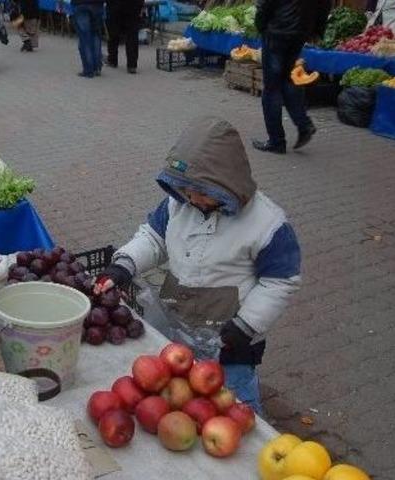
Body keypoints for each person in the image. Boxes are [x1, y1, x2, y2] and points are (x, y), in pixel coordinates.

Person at [94, 116, 302, 413]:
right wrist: (123, 265)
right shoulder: (179, 204)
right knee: (183, 396)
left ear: (227, 185)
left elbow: (281, 281)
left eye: (201, 191)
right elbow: (153, 238)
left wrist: (246, 325)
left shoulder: (267, 225)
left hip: (232, 341)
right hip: (179, 324)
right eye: (186, 189)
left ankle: (253, 424)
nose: (192, 197)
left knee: (235, 403)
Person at [252, 0, 331, 154]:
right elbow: (325, 4)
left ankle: (276, 141)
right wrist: (316, 30)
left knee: (271, 89)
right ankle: (304, 125)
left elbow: (264, 4)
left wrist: (261, 26)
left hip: (277, 31)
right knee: (286, 79)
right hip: (300, 32)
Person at [105, 0, 143, 74]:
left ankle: (112, 60)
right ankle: (132, 65)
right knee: (132, 35)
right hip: (133, 6)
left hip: (115, 5)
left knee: (113, 32)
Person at [71, 0, 105, 78]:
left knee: (85, 37)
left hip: (80, 4)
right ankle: (97, 67)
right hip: (97, 4)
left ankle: (88, 69)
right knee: (96, 35)